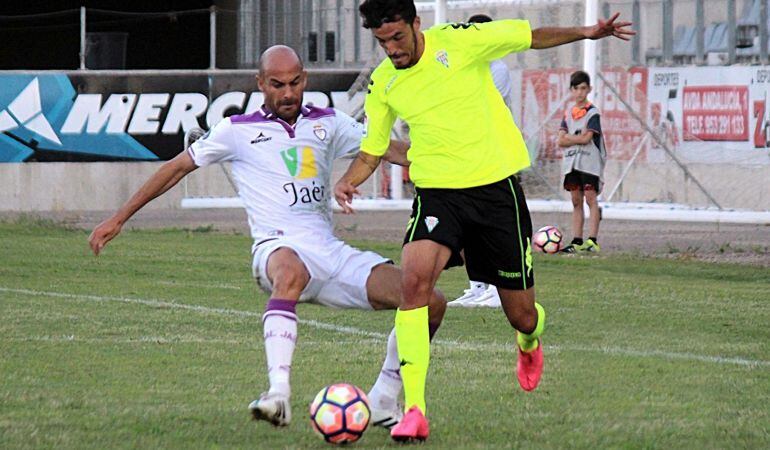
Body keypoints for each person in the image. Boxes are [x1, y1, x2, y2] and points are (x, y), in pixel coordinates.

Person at [88, 45, 447, 430]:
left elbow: (392, 151)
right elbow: (176, 169)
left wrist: (457, 155)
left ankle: (382, 399)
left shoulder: (330, 123)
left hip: (329, 253)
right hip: (275, 250)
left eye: (295, 83)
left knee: (429, 301)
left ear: (305, 80)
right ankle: (278, 394)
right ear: (261, 84)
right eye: (277, 84)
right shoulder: (235, 131)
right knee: (290, 269)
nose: (288, 93)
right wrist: (118, 218)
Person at [334, 0, 633, 442]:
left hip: (496, 194)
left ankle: (529, 342)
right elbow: (373, 148)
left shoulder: (460, 42)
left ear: (417, 24)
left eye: (397, 37)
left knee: (522, 315)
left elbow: (529, 36)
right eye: (382, 42)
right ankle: (413, 407)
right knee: (415, 286)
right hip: (437, 195)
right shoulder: (384, 83)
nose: (392, 49)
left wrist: (589, 32)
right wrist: (349, 180)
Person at [450, 13, 514, 308]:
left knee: (489, 222)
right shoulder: (469, 66)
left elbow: (479, 109)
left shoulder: (496, 69)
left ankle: (496, 287)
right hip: (465, 153)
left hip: (489, 154)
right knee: (464, 222)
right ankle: (478, 285)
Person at [558, 70, 606, 253]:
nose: (579, 92)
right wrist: (575, 138)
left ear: (589, 89)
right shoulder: (568, 113)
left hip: (589, 163)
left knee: (591, 198)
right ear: (571, 90)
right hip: (572, 163)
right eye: (576, 88)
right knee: (576, 200)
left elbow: (587, 138)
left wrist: (571, 138)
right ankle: (577, 240)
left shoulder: (593, 113)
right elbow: (560, 140)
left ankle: (592, 240)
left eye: (583, 88)